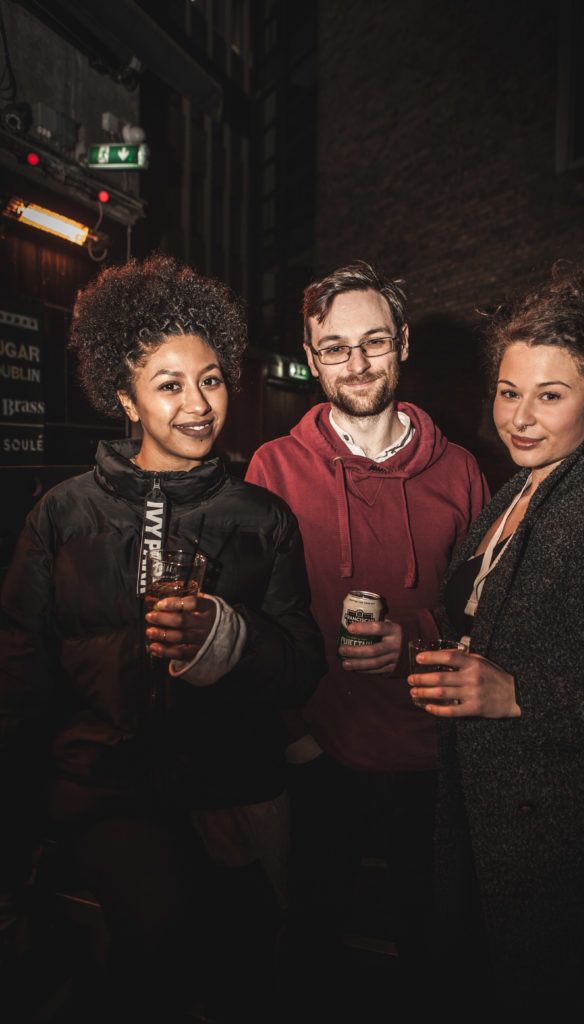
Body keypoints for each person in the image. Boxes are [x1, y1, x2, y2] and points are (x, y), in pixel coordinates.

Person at [0, 254, 325, 1022]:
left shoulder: (261, 517)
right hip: (103, 784)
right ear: (126, 397)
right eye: (169, 384)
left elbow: (301, 666)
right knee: (160, 927)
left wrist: (232, 634)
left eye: (210, 379)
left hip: (228, 781)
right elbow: (18, 671)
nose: (198, 404)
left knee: (255, 954)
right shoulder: (63, 514)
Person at [408, 257, 584, 1011]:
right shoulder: (515, 492)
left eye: (550, 396)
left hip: (574, 847)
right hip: (499, 825)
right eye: (507, 391)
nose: (519, 417)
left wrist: (516, 695)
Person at [246, 260, 488, 992]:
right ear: (312, 356)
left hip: (434, 756)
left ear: (404, 343)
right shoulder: (273, 467)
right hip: (324, 751)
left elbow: (486, 611)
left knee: (434, 953)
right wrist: (295, 735)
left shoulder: (463, 472)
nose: (356, 363)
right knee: (310, 947)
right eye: (335, 347)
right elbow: (257, 618)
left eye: (374, 342)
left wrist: (414, 637)